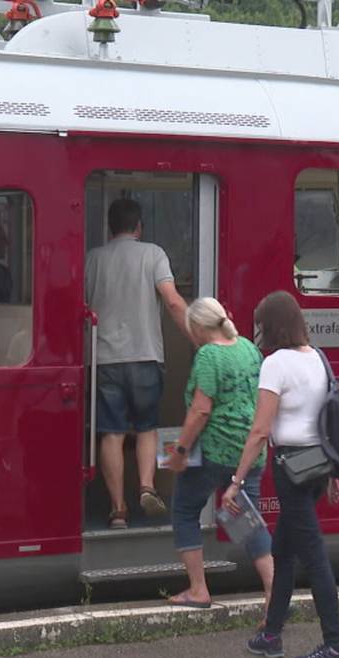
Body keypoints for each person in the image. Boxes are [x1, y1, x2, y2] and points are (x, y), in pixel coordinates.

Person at [222, 290, 339, 658]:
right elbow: (327, 420)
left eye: (261, 324)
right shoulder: (318, 357)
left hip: (291, 468)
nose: (258, 331)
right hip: (317, 465)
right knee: (283, 550)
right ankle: (271, 634)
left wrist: (236, 481)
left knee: (314, 557)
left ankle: (336, 645)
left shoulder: (275, 364)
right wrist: (333, 475)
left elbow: (260, 430)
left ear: (271, 326)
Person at [85, 197, 189, 529]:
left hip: (105, 359)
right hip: (145, 356)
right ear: (139, 226)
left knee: (111, 434)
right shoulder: (153, 254)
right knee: (147, 427)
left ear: (109, 227)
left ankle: (118, 509)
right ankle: (147, 486)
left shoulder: (93, 259)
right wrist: (199, 333)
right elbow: (172, 301)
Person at [165, 297, 273, 608]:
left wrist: (180, 451)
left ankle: (198, 589)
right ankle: (273, 591)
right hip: (250, 453)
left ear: (198, 327)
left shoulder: (209, 355)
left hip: (215, 450)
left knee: (185, 511)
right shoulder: (248, 348)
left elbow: (200, 410)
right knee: (248, 521)